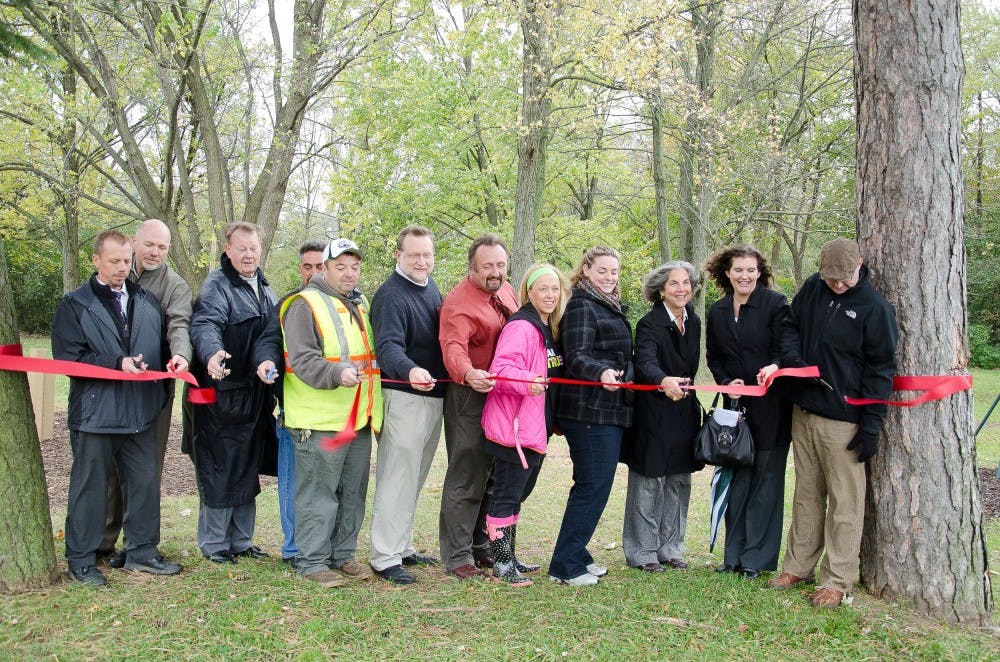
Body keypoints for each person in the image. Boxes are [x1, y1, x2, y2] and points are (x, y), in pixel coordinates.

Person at [767, 237, 897, 608]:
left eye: (844, 279)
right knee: (806, 494)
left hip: (843, 420)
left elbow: (881, 369)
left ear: (860, 266)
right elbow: (789, 324)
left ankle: (837, 579)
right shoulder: (813, 288)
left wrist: (871, 424)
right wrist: (790, 356)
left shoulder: (875, 308)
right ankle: (797, 566)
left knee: (845, 501)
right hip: (803, 411)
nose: (838, 285)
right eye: (831, 279)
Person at [52, 230, 183, 585]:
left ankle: (142, 552)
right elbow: (68, 359)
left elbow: (160, 346)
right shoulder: (75, 304)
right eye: (114, 261)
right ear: (96, 260)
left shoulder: (146, 300)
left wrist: (176, 361)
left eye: (126, 261)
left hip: (141, 413)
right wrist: (116, 364)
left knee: (143, 485)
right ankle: (81, 559)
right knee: (90, 488)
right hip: (95, 415)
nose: (122, 268)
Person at [279, 237, 382, 587]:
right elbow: (303, 360)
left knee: (352, 493)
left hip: (358, 419)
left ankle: (343, 555)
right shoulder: (304, 305)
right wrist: (337, 373)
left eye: (354, 267)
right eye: (341, 267)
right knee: (317, 495)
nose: (349, 274)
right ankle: (312, 562)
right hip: (318, 421)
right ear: (324, 268)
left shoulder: (360, 304)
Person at [99, 218, 193, 569]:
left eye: (163, 247)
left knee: (144, 470)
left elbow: (180, 325)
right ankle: (101, 543)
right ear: (135, 242)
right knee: (107, 467)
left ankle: (139, 545)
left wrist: (181, 355)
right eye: (150, 244)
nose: (155, 252)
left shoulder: (174, 286)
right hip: (109, 389)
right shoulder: (114, 273)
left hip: (153, 391)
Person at [185, 221, 278, 564]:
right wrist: (212, 354)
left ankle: (241, 540)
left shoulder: (265, 286)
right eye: (242, 248)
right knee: (220, 467)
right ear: (228, 250)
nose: (249, 254)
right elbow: (204, 323)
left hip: (255, 395)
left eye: (254, 247)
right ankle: (215, 544)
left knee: (246, 466)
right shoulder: (217, 285)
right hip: (221, 393)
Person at [704, 244, 793, 579]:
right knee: (738, 479)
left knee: (766, 482)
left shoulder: (775, 304)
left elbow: (785, 348)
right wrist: (727, 381)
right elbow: (714, 357)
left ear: (760, 272)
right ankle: (733, 556)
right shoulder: (718, 311)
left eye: (751, 270)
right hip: (735, 409)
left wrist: (774, 366)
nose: (745, 276)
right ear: (727, 272)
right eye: (738, 270)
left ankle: (757, 559)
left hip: (772, 406)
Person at [548, 245, 633, 586]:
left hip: (609, 409)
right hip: (588, 411)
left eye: (614, 272)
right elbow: (577, 355)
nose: (610, 277)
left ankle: (577, 553)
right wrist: (601, 373)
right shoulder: (582, 305)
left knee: (595, 485)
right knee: (591, 486)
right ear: (585, 271)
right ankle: (565, 565)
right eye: (602, 271)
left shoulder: (606, 304)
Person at [369, 225, 447, 585]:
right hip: (403, 396)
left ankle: (401, 546)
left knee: (414, 476)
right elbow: (387, 348)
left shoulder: (430, 288)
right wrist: (411, 370)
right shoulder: (391, 295)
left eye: (427, 254)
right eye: (414, 254)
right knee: (396, 477)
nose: (421, 261)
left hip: (433, 397)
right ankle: (385, 557)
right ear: (398, 255)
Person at [481, 263, 568, 586]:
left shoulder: (547, 327)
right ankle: (501, 564)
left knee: (519, 492)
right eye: (543, 288)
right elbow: (501, 369)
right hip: (513, 428)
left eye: (554, 289)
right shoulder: (521, 326)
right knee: (506, 494)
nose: (549, 294)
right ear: (529, 292)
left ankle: (510, 555)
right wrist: (527, 380)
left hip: (536, 427)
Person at [438, 233, 519, 579]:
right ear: (471, 268)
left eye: (500, 265)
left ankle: (481, 545)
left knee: (493, 473)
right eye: (487, 266)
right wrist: (469, 372)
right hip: (469, 394)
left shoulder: (506, 290)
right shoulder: (458, 303)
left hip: (502, 395)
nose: (495, 272)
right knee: (467, 474)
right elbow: (453, 347)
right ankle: (457, 557)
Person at [621, 261, 702, 574]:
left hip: (684, 412)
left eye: (686, 283)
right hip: (654, 413)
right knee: (649, 482)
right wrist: (662, 380)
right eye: (674, 284)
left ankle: (671, 548)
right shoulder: (649, 323)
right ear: (660, 290)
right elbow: (645, 362)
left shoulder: (693, 319)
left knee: (679, 481)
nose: (681, 289)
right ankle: (642, 552)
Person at [253, 240, 327, 568]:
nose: (314, 273)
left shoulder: (344, 306)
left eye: (320, 266)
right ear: (300, 269)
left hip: (334, 412)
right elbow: (269, 340)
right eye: (307, 266)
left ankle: (323, 547)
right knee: (292, 480)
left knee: (326, 484)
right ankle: (294, 549)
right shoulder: (289, 304)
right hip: (293, 409)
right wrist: (267, 363)